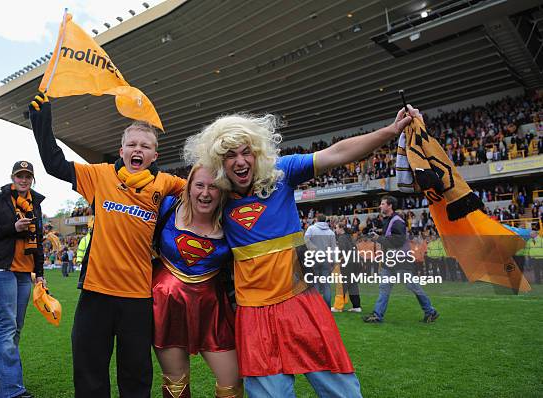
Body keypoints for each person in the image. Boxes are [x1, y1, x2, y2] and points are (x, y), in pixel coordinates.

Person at [185, 105, 417, 397]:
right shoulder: (216, 197)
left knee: (343, 393)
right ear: (219, 162)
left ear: (258, 152)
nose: (240, 161)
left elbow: (337, 153)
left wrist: (391, 131)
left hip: (300, 303)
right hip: (254, 316)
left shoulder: (282, 174)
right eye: (230, 155)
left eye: (246, 152)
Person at [29, 93, 185, 397]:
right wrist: (41, 120)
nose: (138, 149)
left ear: (155, 155)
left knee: (136, 377)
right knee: (89, 374)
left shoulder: (166, 183)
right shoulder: (99, 175)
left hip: (138, 298)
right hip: (95, 295)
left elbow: (203, 190)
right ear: (121, 150)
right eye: (132, 144)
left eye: (145, 146)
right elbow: (53, 162)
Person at [153, 164, 241, 398]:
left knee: (231, 381)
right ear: (188, 187)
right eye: (199, 185)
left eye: (213, 187)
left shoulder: (232, 220)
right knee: (176, 383)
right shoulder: (167, 208)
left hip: (213, 310)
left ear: (222, 191)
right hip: (166, 306)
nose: (205, 193)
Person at [0, 160, 46, 398]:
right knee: (7, 328)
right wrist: (12, 227)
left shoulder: (35, 204)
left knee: (15, 330)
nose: (23, 179)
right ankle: (9, 391)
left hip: (24, 274)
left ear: (32, 179)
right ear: (12, 177)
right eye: (19, 175)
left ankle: (8, 386)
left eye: (27, 176)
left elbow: (39, 243)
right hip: (0, 270)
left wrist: (41, 275)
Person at [363, 196, 439, 324]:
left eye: (382, 204)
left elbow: (398, 241)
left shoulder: (397, 221)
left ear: (390, 206)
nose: (380, 206)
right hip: (391, 260)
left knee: (412, 286)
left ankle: (430, 311)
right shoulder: (390, 220)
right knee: (384, 287)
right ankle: (377, 314)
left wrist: (378, 239)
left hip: (401, 260)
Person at [304, 213, 337, 308]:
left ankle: (316, 307)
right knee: (326, 284)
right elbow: (333, 248)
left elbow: (305, 240)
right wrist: (334, 261)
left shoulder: (311, 229)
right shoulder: (330, 232)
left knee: (316, 283)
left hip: (314, 257)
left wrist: (312, 248)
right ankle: (327, 307)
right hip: (326, 259)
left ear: (317, 220)